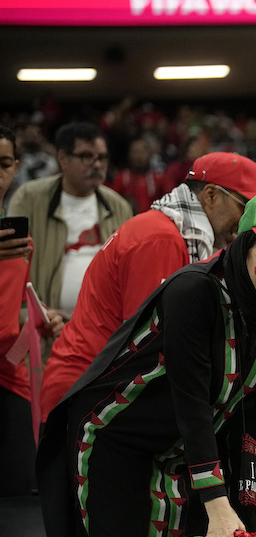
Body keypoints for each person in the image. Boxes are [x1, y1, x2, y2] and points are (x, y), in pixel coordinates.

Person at [37, 187, 256, 537]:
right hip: (117, 441)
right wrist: (217, 504)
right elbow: (192, 402)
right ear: (243, 244)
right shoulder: (194, 291)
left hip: (183, 451)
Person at [41, 151, 256, 413]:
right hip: (86, 390)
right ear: (212, 195)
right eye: (244, 207)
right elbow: (148, 344)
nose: (246, 223)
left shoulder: (169, 231)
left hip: (98, 385)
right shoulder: (161, 238)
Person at [9, 122, 133, 341]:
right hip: (46, 333)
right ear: (63, 159)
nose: (97, 165)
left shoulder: (118, 206)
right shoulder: (29, 199)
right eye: (86, 156)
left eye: (102, 158)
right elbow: (10, 268)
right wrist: (28, 314)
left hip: (104, 335)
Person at [0, 124, 38, 496]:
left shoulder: (21, 243)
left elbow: (13, 316)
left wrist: (40, 322)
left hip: (10, 376)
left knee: (16, 494)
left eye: (4, 163)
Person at [110, 135, 167, 213]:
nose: (139, 156)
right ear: (129, 154)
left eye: (142, 152)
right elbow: (112, 202)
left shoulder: (159, 178)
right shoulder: (121, 178)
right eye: (135, 152)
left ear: (149, 154)